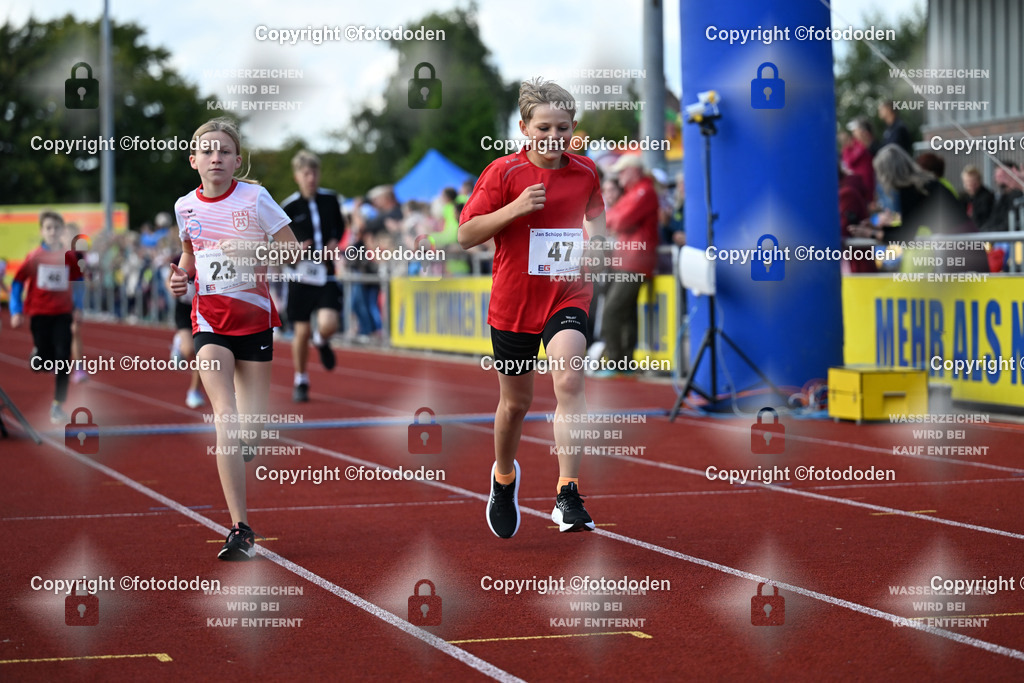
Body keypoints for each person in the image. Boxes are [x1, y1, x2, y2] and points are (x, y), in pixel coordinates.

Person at [458, 77, 606, 538]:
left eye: (561, 128)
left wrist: (598, 245)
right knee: (515, 405)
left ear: (573, 128)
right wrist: (515, 209)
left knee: (569, 375)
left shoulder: (585, 172)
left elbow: (597, 221)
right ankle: (504, 478)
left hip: (567, 292)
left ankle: (567, 491)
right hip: (515, 302)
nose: (552, 137)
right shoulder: (503, 174)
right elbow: (465, 235)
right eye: (543, 128)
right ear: (524, 128)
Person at [167, 117, 300, 561]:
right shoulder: (185, 206)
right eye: (207, 150)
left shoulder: (255, 198)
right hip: (208, 323)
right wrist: (181, 276)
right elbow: (189, 254)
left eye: (224, 150)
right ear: (193, 161)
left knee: (252, 428)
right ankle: (241, 528)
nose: (216, 157)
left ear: (237, 160)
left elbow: (293, 250)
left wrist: (250, 250)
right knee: (225, 415)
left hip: (256, 323)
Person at [280, 150, 346, 402]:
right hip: (300, 277)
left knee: (329, 323)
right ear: (297, 176)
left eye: (314, 172)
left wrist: (333, 241)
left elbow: (339, 228)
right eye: (305, 173)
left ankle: (322, 339)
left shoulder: (330, 200)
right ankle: (301, 379)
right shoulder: (288, 207)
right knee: (301, 331)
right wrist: (293, 252)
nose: (311, 177)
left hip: (326, 272)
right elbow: (279, 245)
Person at [9, 210, 83, 423]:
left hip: (62, 314)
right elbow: (17, 282)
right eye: (48, 228)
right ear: (42, 231)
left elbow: (77, 282)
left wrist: (78, 307)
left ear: (61, 231)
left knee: (63, 359)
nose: (52, 232)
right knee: (44, 361)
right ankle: (38, 355)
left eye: (56, 228)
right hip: (39, 314)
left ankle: (58, 405)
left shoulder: (68, 257)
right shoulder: (34, 257)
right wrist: (15, 311)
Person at [600, 155, 659, 374]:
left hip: (635, 261)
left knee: (612, 312)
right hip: (628, 260)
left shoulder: (644, 191)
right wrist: (613, 219)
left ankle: (616, 362)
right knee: (625, 313)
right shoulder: (637, 192)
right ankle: (624, 363)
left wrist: (612, 220)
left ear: (634, 170)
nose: (619, 176)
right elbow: (612, 218)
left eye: (623, 171)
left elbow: (618, 220)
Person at [980, 160, 1024, 233]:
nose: (997, 178)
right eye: (997, 175)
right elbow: (993, 220)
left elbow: (1009, 224)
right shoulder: (1001, 198)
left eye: (1002, 175)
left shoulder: (1017, 196)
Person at [959, 164, 995, 229]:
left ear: (979, 181)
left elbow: (983, 218)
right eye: (967, 182)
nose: (970, 185)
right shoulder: (962, 197)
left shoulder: (986, 197)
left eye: (973, 182)